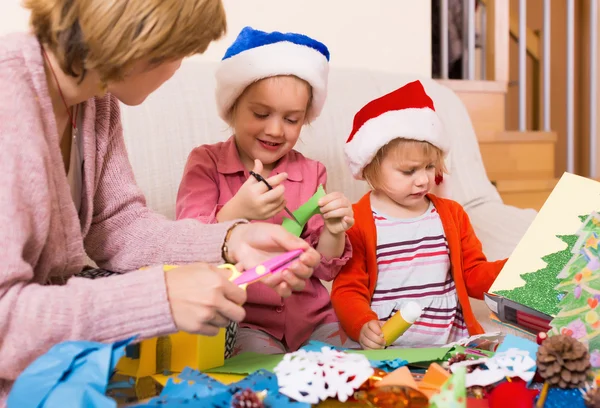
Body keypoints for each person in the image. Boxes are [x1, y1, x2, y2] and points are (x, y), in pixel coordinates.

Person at [0, 0, 320, 401]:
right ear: (141, 41)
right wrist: (158, 296)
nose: (178, 67)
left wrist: (230, 240)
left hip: (54, 369)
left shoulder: (94, 101)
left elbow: (117, 225)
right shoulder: (9, 102)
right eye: (180, 53)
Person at [176, 27, 357, 354]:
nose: (275, 130)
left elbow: (326, 266)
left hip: (314, 319)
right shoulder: (206, 164)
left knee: (355, 373)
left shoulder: (311, 172)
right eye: (261, 114)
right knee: (264, 385)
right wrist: (237, 211)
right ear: (232, 108)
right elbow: (186, 247)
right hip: (245, 321)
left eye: (292, 119)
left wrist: (334, 229)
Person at [331, 80, 506, 350]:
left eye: (429, 166)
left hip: (451, 347)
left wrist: (510, 270)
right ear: (371, 168)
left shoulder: (451, 214)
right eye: (409, 171)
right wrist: (362, 323)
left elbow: (473, 274)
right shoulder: (357, 221)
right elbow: (348, 290)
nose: (423, 179)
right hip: (389, 351)